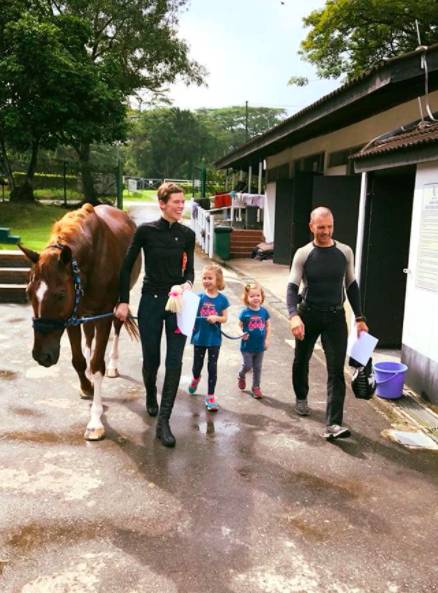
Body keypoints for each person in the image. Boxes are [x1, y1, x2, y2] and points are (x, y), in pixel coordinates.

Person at [115, 182, 195, 448]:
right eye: (176, 202)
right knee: (152, 359)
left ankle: (164, 422)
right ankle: (151, 392)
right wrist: (123, 302)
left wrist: (187, 285)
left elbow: (190, 272)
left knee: (174, 361)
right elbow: (126, 268)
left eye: (183, 202)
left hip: (177, 304)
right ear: (162, 204)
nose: (181, 206)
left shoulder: (187, 234)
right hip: (151, 301)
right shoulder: (145, 232)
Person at [287, 206, 368, 440]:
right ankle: (301, 396)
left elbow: (352, 286)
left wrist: (360, 318)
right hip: (308, 313)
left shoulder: (345, 251)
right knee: (301, 359)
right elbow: (292, 287)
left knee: (335, 370)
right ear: (311, 226)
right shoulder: (303, 253)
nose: (326, 231)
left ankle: (333, 424)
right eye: (321, 227)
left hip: (335, 317)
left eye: (329, 226)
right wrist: (294, 315)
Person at [188, 263, 230, 412]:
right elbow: (191, 314)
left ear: (217, 280)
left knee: (212, 368)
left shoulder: (222, 300)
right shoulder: (198, 297)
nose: (206, 281)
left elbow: (225, 318)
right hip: (199, 338)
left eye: (210, 278)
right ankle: (195, 379)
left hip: (214, 340)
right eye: (204, 278)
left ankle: (210, 396)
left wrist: (216, 318)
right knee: (196, 366)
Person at [237, 282, 271, 399]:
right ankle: (241, 375)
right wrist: (241, 333)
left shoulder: (264, 312)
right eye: (252, 296)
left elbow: (267, 326)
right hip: (247, 346)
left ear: (261, 297)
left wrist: (267, 340)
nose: (255, 298)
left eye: (258, 295)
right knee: (248, 366)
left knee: (257, 368)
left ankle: (256, 387)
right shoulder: (245, 312)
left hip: (260, 346)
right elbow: (238, 326)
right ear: (247, 298)